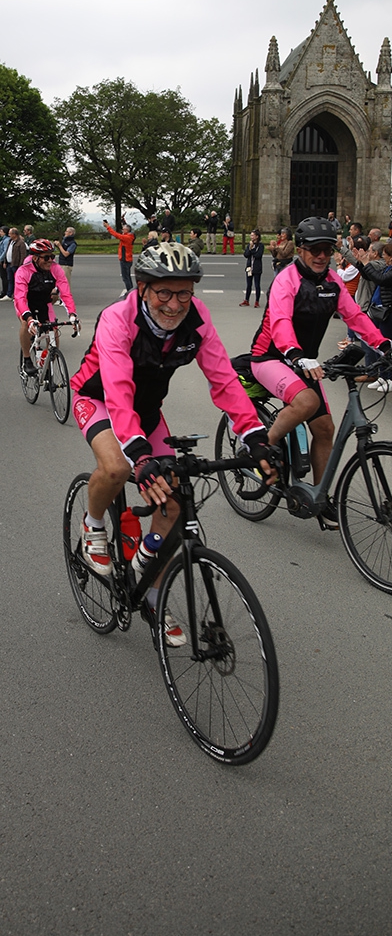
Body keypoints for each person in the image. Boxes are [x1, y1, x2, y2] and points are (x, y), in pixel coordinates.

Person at [70, 241, 275, 644]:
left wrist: (254, 435)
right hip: (97, 400)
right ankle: (92, 524)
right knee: (117, 467)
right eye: (164, 291)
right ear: (143, 287)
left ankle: (153, 589)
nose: (175, 303)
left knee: (175, 500)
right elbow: (116, 388)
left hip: (145, 412)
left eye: (184, 292)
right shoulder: (118, 318)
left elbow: (223, 379)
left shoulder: (197, 318)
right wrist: (141, 456)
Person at [249, 217, 391, 527]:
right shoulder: (286, 280)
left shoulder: (332, 281)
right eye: (314, 250)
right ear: (301, 249)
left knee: (325, 429)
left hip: (304, 362)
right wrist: (296, 354)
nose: (321, 256)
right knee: (307, 403)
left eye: (327, 250)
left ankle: (320, 496)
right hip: (271, 357)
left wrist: (384, 345)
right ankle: (260, 451)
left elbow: (354, 316)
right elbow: (281, 323)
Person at [14, 239, 79, 376]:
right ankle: (27, 360)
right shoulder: (23, 271)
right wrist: (29, 318)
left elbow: (66, 293)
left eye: (52, 256)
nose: (50, 260)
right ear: (35, 258)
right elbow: (20, 298)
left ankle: (49, 365)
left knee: (53, 330)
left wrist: (72, 315)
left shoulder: (56, 269)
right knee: (26, 324)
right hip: (26, 302)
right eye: (46, 257)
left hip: (44, 301)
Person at [352, 241, 392, 392]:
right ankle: (383, 375)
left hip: (391, 310)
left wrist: (366, 263)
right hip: (380, 309)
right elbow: (369, 275)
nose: (383, 256)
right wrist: (361, 263)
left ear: (391, 256)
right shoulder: (388, 268)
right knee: (380, 343)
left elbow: (380, 279)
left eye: (385, 254)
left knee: (387, 343)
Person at [103, 219, 136, 294]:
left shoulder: (127, 238)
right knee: (127, 277)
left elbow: (115, 234)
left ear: (127, 230)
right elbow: (125, 228)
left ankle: (129, 292)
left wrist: (108, 227)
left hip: (125, 260)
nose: (122, 230)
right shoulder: (129, 235)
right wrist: (123, 221)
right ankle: (130, 291)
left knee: (126, 278)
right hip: (127, 259)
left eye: (123, 229)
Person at [240, 230, 264, 307]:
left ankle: (257, 301)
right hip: (249, 267)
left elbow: (258, 255)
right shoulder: (249, 245)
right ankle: (246, 300)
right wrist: (250, 248)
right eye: (251, 236)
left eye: (253, 235)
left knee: (257, 285)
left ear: (257, 236)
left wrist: (252, 250)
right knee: (248, 285)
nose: (251, 237)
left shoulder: (260, 245)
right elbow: (246, 255)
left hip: (257, 268)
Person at [4, 228, 26, 300]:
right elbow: (7, 251)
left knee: (17, 281)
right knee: (10, 279)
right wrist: (5, 261)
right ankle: (9, 294)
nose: (8, 235)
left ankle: (17, 295)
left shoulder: (20, 243)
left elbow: (23, 255)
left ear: (14, 234)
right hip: (9, 263)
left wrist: (21, 265)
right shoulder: (10, 241)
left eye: (10, 234)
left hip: (16, 264)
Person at [0, 225, 10, 298]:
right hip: (2, 260)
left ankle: (5, 291)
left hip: (3, 260)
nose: (0, 232)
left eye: (1, 231)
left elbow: (5, 251)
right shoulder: (3, 239)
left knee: (4, 277)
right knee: (3, 276)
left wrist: (1, 259)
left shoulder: (6, 240)